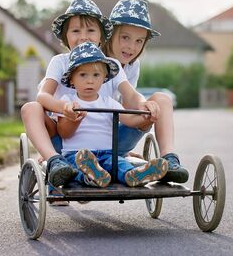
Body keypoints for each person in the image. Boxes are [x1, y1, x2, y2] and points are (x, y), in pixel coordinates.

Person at [48, 41, 168, 188]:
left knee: (119, 164)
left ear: (104, 78)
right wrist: (71, 116)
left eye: (96, 75)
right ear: (72, 79)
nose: (90, 81)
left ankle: (134, 174)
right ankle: (90, 176)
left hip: (106, 153)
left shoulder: (109, 103)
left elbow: (127, 120)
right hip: (76, 154)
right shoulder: (67, 102)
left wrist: (146, 117)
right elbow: (63, 131)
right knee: (75, 167)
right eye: (83, 75)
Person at [104, 0, 189, 183]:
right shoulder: (94, 62)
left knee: (162, 99)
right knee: (138, 115)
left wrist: (145, 107)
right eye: (125, 37)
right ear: (110, 34)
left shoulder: (132, 66)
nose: (131, 47)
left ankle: (168, 159)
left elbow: (129, 98)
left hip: (115, 138)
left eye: (139, 41)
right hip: (89, 139)